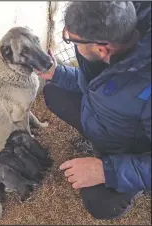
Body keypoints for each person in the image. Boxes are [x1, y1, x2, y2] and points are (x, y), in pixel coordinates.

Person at [35, 1, 151, 219]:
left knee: (102, 206)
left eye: (72, 39)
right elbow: (95, 85)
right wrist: (57, 73)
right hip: (105, 120)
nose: (69, 40)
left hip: (131, 148)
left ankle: (132, 183)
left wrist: (106, 170)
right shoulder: (116, 34)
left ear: (101, 47)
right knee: (53, 91)